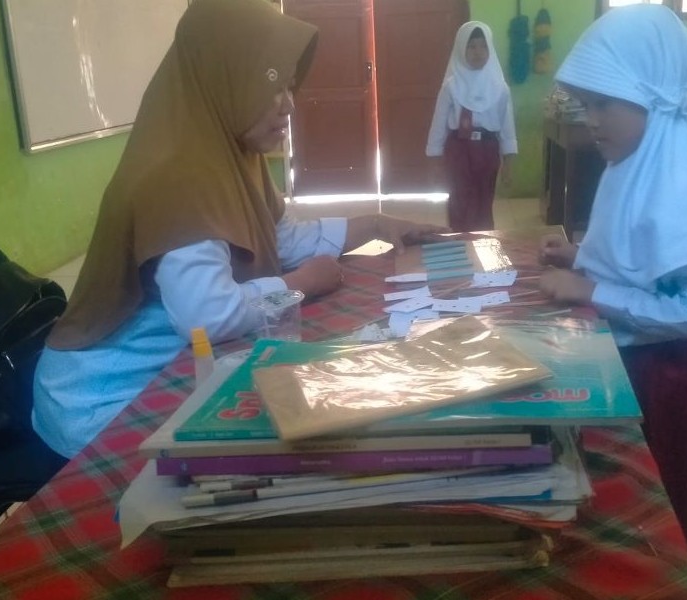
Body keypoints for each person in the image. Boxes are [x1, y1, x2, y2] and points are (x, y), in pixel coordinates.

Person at [31, 0, 448, 465]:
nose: (289, 104)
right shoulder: (179, 175)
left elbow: (282, 240)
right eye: (272, 85)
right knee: (274, 452)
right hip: (101, 400)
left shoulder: (228, 152)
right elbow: (207, 316)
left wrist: (376, 223)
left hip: (167, 367)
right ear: (226, 77)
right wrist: (300, 285)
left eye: (290, 86)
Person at [536, 5, 687, 597]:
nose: (590, 120)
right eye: (586, 104)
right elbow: (642, 255)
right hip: (639, 363)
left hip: (673, 379)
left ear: (653, 98)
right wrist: (582, 257)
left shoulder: (679, 178)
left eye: (603, 104)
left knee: (666, 531)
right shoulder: (638, 157)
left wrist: (593, 290)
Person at [425, 21, 517, 233]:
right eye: (472, 46)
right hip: (459, 149)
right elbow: (439, 122)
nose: (478, 52)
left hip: (488, 149)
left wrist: (509, 163)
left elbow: (507, 126)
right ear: (461, 48)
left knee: (485, 198)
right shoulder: (451, 85)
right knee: (460, 200)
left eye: (483, 46)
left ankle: (483, 242)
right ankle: (460, 241)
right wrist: (435, 161)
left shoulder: (500, 87)